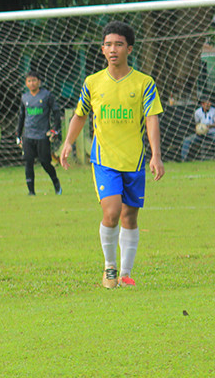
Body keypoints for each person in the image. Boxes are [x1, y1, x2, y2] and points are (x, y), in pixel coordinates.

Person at [60, 20, 164, 288]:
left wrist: (155, 155)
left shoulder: (144, 83)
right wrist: (68, 143)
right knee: (112, 211)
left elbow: (152, 119)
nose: (113, 49)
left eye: (118, 44)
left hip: (135, 159)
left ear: (129, 48)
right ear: (102, 50)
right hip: (104, 159)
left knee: (130, 215)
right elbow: (80, 115)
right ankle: (109, 267)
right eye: (108, 44)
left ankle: (126, 273)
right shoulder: (92, 83)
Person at [15, 71, 62, 195]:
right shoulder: (24, 97)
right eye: (29, 81)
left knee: (45, 162)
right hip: (28, 135)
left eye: (34, 80)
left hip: (42, 135)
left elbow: (56, 112)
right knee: (28, 162)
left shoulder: (47, 96)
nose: (32, 83)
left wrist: (55, 129)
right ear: (26, 83)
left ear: (39, 82)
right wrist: (18, 134)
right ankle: (31, 192)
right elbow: (21, 116)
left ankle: (56, 183)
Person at [178, 97, 215, 161]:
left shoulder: (213, 111)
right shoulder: (197, 112)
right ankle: (183, 160)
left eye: (209, 102)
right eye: (207, 103)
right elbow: (197, 124)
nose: (209, 104)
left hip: (212, 133)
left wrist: (208, 126)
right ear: (202, 104)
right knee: (187, 140)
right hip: (201, 134)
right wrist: (199, 130)